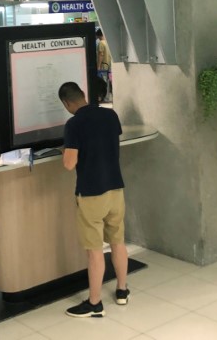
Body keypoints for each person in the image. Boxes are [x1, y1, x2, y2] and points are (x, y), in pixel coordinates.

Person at [58, 81, 129, 318]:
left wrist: (66, 150)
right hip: (115, 188)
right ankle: (122, 290)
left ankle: (95, 303)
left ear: (67, 103)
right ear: (83, 95)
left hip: (91, 193)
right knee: (118, 241)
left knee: (95, 250)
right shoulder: (111, 115)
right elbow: (106, 144)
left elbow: (69, 164)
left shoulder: (74, 124)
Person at [96, 29, 112, 102]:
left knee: (103, 82)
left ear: (98, 35)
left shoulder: (101, 43)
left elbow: (101, 55)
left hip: (103, 65)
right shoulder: (108, 42)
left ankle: (104, 97)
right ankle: (108, 97)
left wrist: (98, 66)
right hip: (109, 65)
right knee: (109, 82)